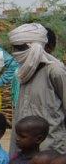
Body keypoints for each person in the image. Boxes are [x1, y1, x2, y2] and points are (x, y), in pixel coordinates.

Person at [9, 23, 66, 153]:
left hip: (51, 150)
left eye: (21, 48)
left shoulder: (55, 71)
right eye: (15, 48)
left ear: (37, 47)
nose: (17, 53)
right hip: (25, 150)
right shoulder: (24, 72)